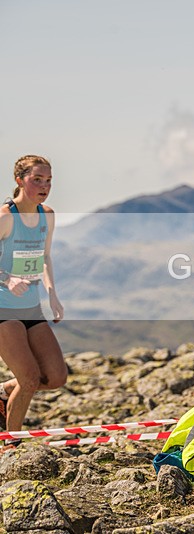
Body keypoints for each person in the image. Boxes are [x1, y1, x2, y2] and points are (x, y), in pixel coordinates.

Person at [0, 155, 67, 451]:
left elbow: (45, 256)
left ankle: (4, 392)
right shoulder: (5, 218)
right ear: (19, 180)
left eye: (48, 180)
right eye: (37, 179)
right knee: (28, 378)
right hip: (3, 308)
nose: (45, 186)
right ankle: (9, 447)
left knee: (55, 377)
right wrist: (7, 279)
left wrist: (52, 293)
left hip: (31, 307)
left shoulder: (47, 215)